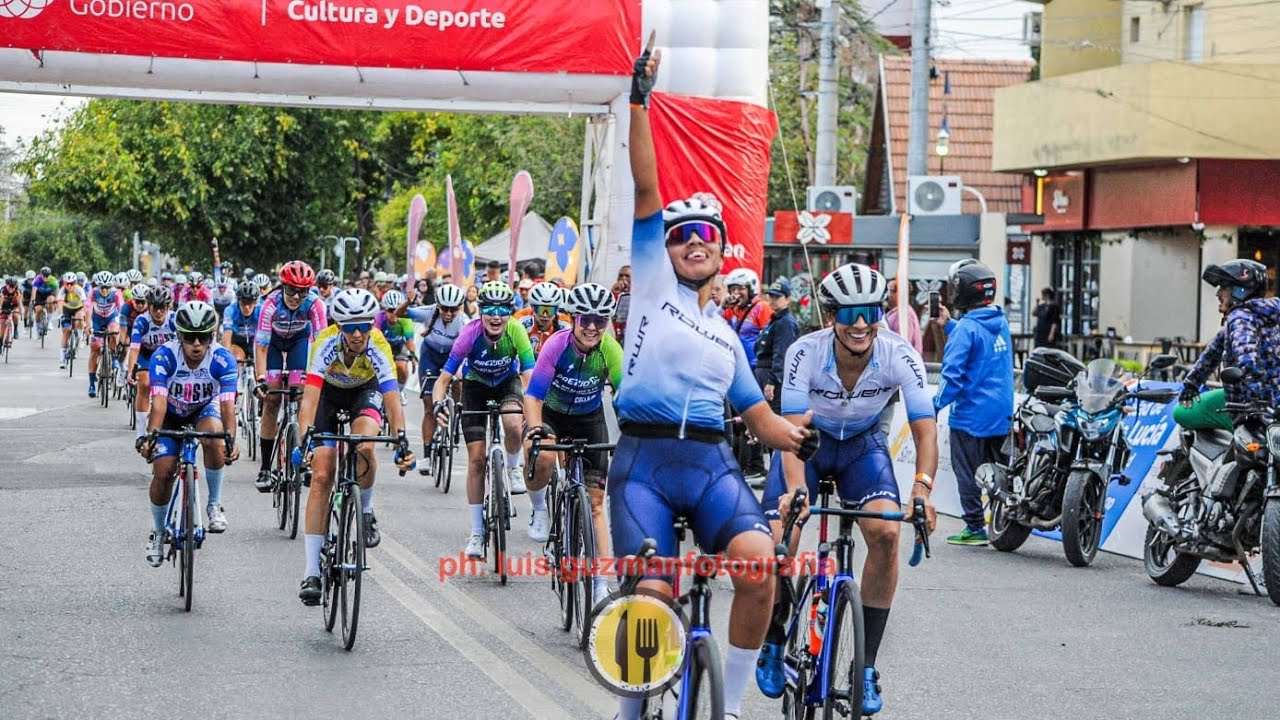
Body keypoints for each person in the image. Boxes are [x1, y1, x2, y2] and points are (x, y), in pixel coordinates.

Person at [610, 43, 816, 720]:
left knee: (759, 566)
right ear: (664, 248)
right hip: (643, 462)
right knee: (654, 594)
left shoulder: (728, 336)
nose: (694, 240)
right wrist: (640, 101)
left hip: (709, 465)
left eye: (707, 234)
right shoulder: (650, 288)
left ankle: (725, 701)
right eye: (681, 234)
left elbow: (762, 423)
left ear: (721, 248)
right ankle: (636, 703)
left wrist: (807, 440)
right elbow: (647, 189)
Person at [756, 263, 939, 716]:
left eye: (870, 311)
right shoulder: (805, 352)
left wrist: (922, 489)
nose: (861, 323)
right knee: (782, 537)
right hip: (808, 445)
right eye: (850, 312)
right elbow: (792, 431)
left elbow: (925, 429)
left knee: (887, 534)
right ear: (830, 315)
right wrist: (795, 493)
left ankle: (868, 666)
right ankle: (775, 635)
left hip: (861, 446)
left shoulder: (899, 354)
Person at [293, 289, 415, 605]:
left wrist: (402, 441)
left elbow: (391, 398)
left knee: (366, 445)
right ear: (339, 325)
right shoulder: (325, 343)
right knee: (321, 476)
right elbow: (309, 399)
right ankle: (311, 572)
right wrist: (304, 440)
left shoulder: (378, 344)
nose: (358, 334)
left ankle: (366, 510)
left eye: (364, 325)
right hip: (329, 397)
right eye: (350, 327)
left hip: (365, 392)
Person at [523, 283, 623, 601]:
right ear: (574, 318)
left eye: (600, 320)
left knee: (595, 504)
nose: (592, 327)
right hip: (552, 414)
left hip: (589, 419)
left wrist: (634, 432)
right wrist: (536, 429)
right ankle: (540, 508)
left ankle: (600, 584)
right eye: (585, 320)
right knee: (543, 459)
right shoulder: (556, 345)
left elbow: (625, 395)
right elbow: (534, 395)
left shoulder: (610, 349)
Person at [431, 280, 535, 558]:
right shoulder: (469, 334)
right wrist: (438, 404)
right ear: (481, 311)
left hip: (506, 384)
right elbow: (443, 380)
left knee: (513, 423)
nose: (496, 315)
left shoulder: (516, 332)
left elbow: (529, 378)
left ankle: (513, 468)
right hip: (475, 388)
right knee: (477, 459)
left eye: (502, 309)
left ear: (510, 313)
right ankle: (477, 533)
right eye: (489, 308)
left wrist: (534, 409)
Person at [136, 301, 239, 565]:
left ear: (211, 336)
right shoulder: (163, 356)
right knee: (163, 470)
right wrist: (151, 437)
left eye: (203, 337)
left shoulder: (222, 359)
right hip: (170, 412)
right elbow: (157, 404)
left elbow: (228, 405)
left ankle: (214, 504)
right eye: (190, 337)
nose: (196, 344)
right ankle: (158, 532)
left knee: (215, 437)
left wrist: (231, 440)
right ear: (179, 335)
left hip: (204, 410)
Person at [932, 259, 1014, 546]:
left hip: (970, 417)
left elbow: (951, 377)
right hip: (1002, 414)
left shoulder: (966, 329)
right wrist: (949, 325)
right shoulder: (1000, 322)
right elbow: (979, 341)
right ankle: (1005, 522)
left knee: (966, 471)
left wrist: (932, 407)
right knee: (1002, 471)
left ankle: (975, 527)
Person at [1176, 259, 1280, 431]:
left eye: (1224, 287)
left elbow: (1247, 360)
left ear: (1240, 291)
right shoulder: (1266, 316)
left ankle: (1235, 432)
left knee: (1181, 412)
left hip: (1250, 406)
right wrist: (1192, 384)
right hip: (1272, 405)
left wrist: (1258, 403)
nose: (1218, 293)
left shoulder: (1239, 317)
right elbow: (1212, 354)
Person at [252, 261, 327, 491]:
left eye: (302, 291)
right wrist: (261, 379)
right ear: (282, 286)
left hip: (298, 343)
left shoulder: (315, 304)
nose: (296, 296)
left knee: (302, 395)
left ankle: (303, 455)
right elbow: (261, 346)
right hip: (273, 344)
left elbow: (322, 344)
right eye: (291, 290)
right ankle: (265, 467)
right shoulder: (270, 304)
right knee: (272, 399)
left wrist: (320, 379)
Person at [399, 283, 468, 471]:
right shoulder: (429, 312)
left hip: (452, 356)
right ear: (438, 305)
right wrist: (407, 302)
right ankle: (427, 456)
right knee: (429, 406)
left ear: (460, 307)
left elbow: (468, 351)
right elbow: (400, 314)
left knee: (459, 381)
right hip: (430, 356)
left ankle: (455, 413)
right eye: (445, 308)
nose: (448, 313)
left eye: (453, 309)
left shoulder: (464, 322)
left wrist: (462, 372)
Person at [126, 286, 178, 438]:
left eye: (162, 307)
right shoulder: (141, 321)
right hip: (146, 355)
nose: (159, 311)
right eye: (155, 307)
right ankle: (141, 432)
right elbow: (134, 348)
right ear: (149, 306)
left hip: (168, 357)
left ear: (168, 307)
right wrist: (131, 372)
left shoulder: (174, 319)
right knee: (144, 384)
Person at [754, 278, 800, 413]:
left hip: (772, 377)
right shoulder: (775, 320)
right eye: (771, 296)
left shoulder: (785, 323)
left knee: (772, 415)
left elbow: (782, 354)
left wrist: (773, 381)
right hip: (764, 373)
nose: (772, 299)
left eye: (777, 296)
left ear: (787, 299)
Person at [87, 271, 124, 398]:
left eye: (107, 287)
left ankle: (113, 358)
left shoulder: (116, 293)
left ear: (111, 287)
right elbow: (88, 308)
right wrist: (88, 325)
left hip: (111, 319)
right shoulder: (93, 292)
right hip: (97, 320)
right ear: (98, 286)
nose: (104, 290)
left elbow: (121, 310)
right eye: (102, 287)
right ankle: (91, 384)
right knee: (95, 348)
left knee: (114, 331)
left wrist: (121, 326)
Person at [374, 290, 415, 404]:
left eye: (397, 310)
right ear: (384, 310)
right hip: (381, 346)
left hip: (398, 346)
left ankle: (400, 390)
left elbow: (410, 339)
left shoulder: (405, 319)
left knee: (401, 367)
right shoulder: (379, 318)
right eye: (391, 310)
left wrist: (412, 355)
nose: (394, 313)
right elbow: (374, 338)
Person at [513, 281, 571, 357]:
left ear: (557, 310)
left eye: (550, 310)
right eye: (541, 309)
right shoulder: (521, 319)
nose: (545, 315)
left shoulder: (565, 323)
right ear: (533, 308)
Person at [221, 281, 262, 380]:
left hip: (257, 343)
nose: (247, 307)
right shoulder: (230, 310)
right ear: (238, 301)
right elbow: (227, 335)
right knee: (234, 360)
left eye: (250, 303)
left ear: (255, 302)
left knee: (261, 373)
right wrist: (225, 358)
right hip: (238, 343)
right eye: (243, 303)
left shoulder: (261, 310)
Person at [57, 272, 87, 370]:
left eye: (72, 283)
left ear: (75, 283)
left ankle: (80, 337)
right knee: (66, 332)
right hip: (67, 310)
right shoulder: (62, 291)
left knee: (79, 318)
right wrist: (61, 314)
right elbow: (60, 303)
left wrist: (85, 314)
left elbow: (84, 303)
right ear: (64, 283)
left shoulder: (79, 289)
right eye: (67, 284)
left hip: (78, 308)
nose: (69, 286)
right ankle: (62, 358)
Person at [884, 277, 922, 353]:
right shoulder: (897, 312)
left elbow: (903, 345)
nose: (887, 295)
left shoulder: (903, 315)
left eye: (890, 291)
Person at [0, 277, 23, 350]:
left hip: (14, 306)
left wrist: (21, 313)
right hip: (4, 306)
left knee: (16, 315)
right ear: (6, 285)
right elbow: (0, 302)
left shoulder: (18, 291)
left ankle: (15, 329)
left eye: (13, 286)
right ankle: (0, 343)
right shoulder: (2, 290)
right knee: (2, 324)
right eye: (9, 286)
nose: (11, 288)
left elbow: (19, 303)